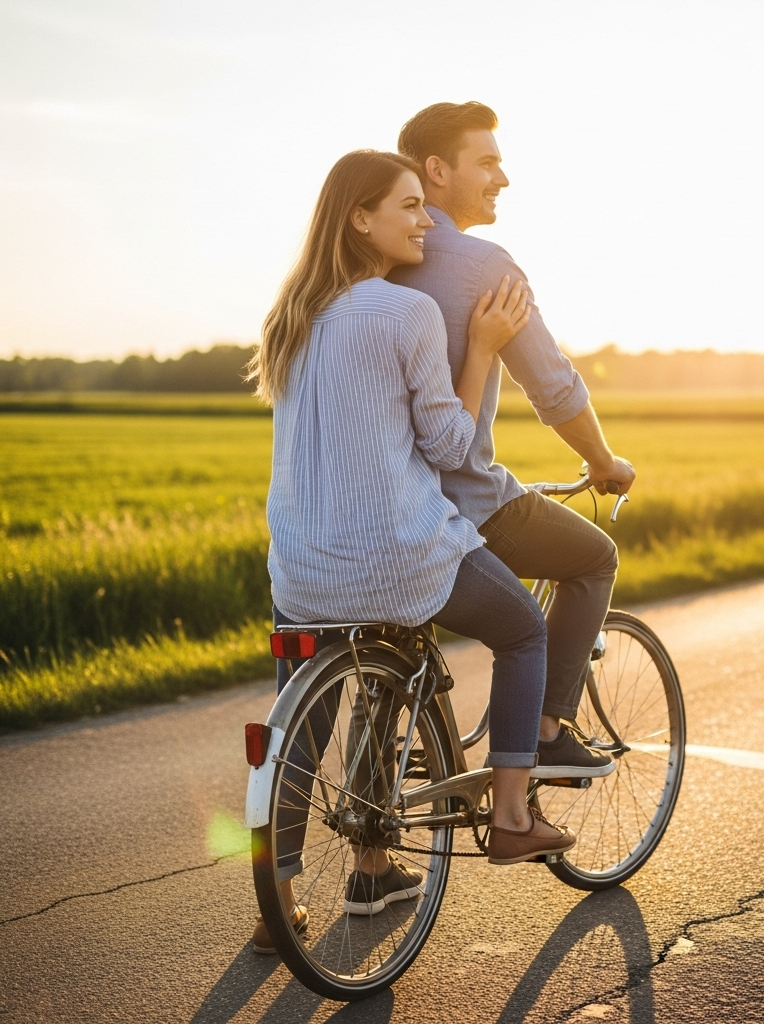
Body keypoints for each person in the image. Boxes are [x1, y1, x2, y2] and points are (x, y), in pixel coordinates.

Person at [246, 150, 589, 954]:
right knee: (524, 631)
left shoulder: (290, 318)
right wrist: (484, 346)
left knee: (305, 717)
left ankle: (280, 903)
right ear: (360, 219)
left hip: (301, 569)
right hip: (397, 556)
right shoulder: (405, 314)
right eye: (407, 206)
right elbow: (447, 443)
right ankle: (510, 816)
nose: (424, 219)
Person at [390, 103, 636, 773]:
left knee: (386, 657)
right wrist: (601, 460)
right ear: (436, 170)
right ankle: (549, 729)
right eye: (488, 162)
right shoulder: (481, 266)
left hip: (379, 505)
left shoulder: (370, 262)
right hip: (466, 503)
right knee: (591, 559)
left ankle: (374, 861)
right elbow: (552, 386)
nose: (503, 177)